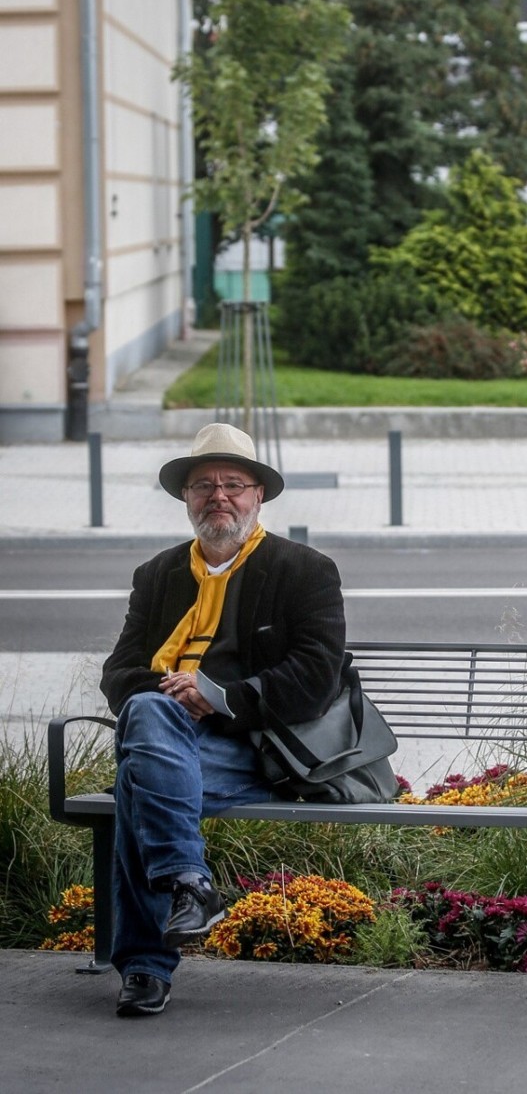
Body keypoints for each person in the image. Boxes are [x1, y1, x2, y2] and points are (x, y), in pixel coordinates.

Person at [100, 422, 346, 1018]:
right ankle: (189, 884)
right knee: (149, 712)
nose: (219, 496)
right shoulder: (157, 575)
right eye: (203, 485)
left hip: (255, 746)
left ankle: (145, 967)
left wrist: (219, 697)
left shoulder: (304, 570)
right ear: (186, 498)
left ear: (257, 496)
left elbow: (316, 675)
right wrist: (175, 694)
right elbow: (119, 672)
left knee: (138, 782)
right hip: (168, 737)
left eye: (233, 483)